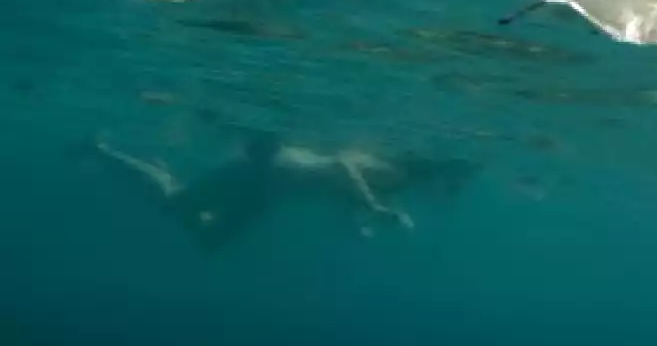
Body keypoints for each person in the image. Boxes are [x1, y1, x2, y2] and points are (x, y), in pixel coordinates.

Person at [93, 130, 476, 251]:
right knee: (176, 204)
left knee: (208, 241)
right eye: (452, 185)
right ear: (436, 173)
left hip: (273, 189)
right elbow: (340, 165)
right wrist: (371, 207)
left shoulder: (396, 185)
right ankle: (103, 152)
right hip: (265, 173)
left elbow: (340, 188)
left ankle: (173, 184)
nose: (450, 194)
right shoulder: (393, 172)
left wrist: (359, 217)